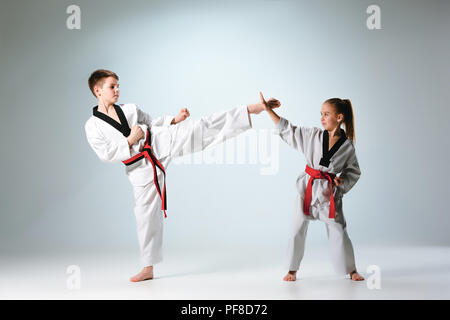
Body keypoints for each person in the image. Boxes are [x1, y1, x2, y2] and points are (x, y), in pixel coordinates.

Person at [84, 69, 280, 282]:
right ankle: (147, 268)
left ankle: (252, 109)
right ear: (98, 90)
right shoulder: (92, 126)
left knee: (202, 126)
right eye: (112, 86)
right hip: (140, 167)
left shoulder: (130, 109)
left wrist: (175, 120)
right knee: (145, 215)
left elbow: (152, 122)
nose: (117, 90)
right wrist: (129, 140)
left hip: (160, 139)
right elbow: (105, 154)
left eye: (118, 86)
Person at [260, 92, 364, 282]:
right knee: (296, 229)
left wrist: (341, 183)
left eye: (326, 114)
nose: (321, 118)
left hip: (329, 194)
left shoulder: (348, 146)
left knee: (339, 231)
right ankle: (292, 269)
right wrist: (268, 110)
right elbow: (289, 130)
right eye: (321, 113)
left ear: (339, 118)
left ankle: (351, 269)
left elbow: (354, 171)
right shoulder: (313, 135)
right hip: (307, 189)